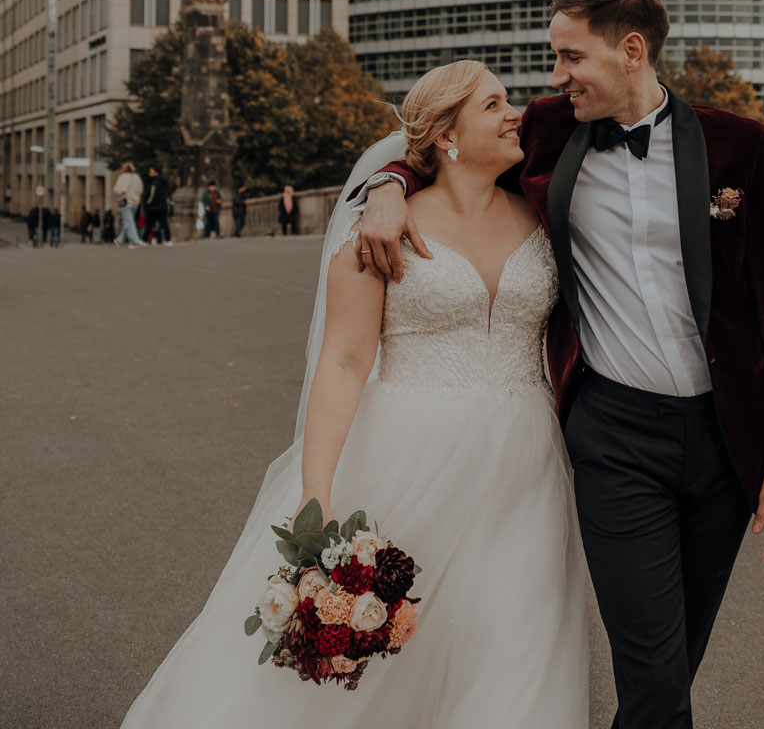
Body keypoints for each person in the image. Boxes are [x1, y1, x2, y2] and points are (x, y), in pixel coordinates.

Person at [356, 0, 764, 729]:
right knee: (652, 678)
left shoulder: (740, 145)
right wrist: (386, 184)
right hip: (614, 439)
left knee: (674, 666)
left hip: (725, 445)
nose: (556, 76)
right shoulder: (550, 127)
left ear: (630, 51)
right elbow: (445, 140)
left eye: (571, 57)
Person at [118, 59, 589, 728]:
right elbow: (341, 363)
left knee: (516, 644)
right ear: (447, 137)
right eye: (493, 105)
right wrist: (316, 492)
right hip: (414, 455)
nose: (516, 114)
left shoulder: (541, 211)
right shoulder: (378, 230)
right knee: (397, 659)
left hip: (529, 466)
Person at [113, 163, 146, 248]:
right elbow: (141, 189)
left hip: (127, 200)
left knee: (128, 221)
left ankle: (134, 241)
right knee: (129, 221)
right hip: (135, 201)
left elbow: (117, 189)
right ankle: (120, 239)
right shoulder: (137, 177)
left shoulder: (123, 177)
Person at [142, 167, 172, 246]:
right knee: (164, 224)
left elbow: (152, 195)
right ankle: (168, 240)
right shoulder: (164, 181)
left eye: (151, 171)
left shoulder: (154, 182)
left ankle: (144, 240)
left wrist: (147, 203)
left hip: (153, 207)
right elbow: (168, 194)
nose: (149, 173)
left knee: (149, 224)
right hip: (163, 206)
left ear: (156, 172)